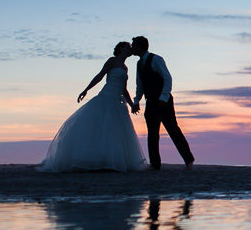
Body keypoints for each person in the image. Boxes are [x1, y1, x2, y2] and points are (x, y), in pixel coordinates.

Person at [37, 42, 147, 172]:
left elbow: (124, 89)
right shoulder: (112, 61)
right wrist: (86, 90)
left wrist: (132, 104)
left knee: (112, 133)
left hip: (117, 102)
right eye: (128, 47)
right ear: (121, 49)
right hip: (105, 98)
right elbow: (100, 76)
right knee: (99, 130)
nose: (130, 49)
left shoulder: (125, 67)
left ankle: (108, 161)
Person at [130, 36, 195, 170]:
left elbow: (167, 78)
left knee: (173, 130)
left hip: (163, 101)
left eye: (133, 45)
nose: (132, 48)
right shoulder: (139, 64)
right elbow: (140, 85)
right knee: (152, 133)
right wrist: (136, 101)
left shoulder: (156, 59)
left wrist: (163, 98)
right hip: (151, 101)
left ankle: (188, 160)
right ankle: (155, 164)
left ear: (140, 46)